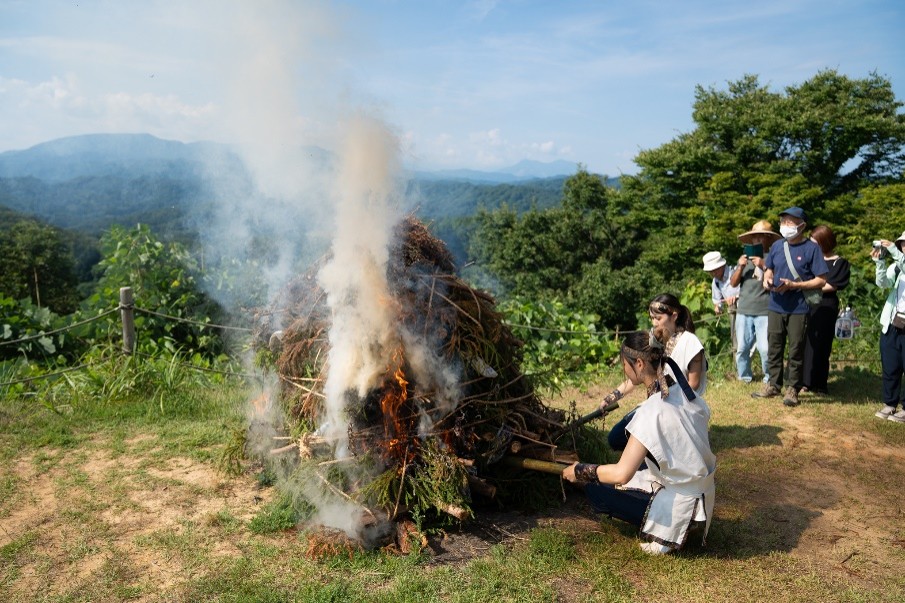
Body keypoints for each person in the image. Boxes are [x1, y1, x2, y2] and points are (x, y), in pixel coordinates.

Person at [563, 328, 716, 555]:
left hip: (683, 510)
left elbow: (621, 474)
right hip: (704, 499)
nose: (624, 370)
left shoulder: (650, 411)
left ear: (640, 364)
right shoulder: (683, 391)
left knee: (597, 490)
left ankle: (671, 529)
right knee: (634, 471)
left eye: (625, 364)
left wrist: (579, 470)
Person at [603, 293, 706, 452]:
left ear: (674, 316)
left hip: (680, 407)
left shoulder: (690, 342)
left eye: (658, 318)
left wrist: (667, 404)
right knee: (616, 437)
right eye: (652, 318)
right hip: (658, 404)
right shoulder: (654, 341)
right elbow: (639, 373)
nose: (654, 323)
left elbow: (693, 384)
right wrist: (610, 398)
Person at [752, 207, 828, 407]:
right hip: (775, 305)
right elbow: (769, 269)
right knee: (774, 347)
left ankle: (793, 388)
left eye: (789, 222)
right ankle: (773, 385)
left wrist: (795, 285)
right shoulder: (777, 246)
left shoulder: (812, 249)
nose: (785, 225)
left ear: (802, 225)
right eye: (783, 221)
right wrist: (767, 279)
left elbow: (821, 280)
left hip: (799, 308)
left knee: (796, 349)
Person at [802, 225, 850, 395]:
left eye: (815, 242)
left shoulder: (839, 262)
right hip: (807, 305)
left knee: (822, 344)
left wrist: (806, 286)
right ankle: (805, 382)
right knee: (807, 344)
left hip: (825, 307)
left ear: (825, 242)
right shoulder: (811, 260)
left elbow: (831, 285)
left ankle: (820, 384)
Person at [732, 220, 781, 384]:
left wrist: (764, 265)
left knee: (765, 349)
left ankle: (769, 378)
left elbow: (778, 281)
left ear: (768, 238)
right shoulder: (744, 259)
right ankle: (744, 377)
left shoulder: (774, 258)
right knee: (742, 348)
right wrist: (740, 267)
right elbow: (733, 283)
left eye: (761, 236)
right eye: (754, 237)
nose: (757, 240)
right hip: (744, 310)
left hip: (765, 310)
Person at [872, 231, 905, 423]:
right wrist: (880, 263)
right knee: (891, 366)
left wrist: (893, 249)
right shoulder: (897, 267)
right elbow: (882, 283)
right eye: (902, 244)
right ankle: (890, 404)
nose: (904, 247)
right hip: (893, 324)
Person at [703, 251, 739, 353]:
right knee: (737, 342)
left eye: (715, 270)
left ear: (722, 266)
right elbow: (717, 300)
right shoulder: (716, 282)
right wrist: (718, 307)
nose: (713, 273)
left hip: (749, 310)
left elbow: (749, 290)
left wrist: (736, 297)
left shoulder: (736, 272)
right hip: (734, 315)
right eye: (710, 271)